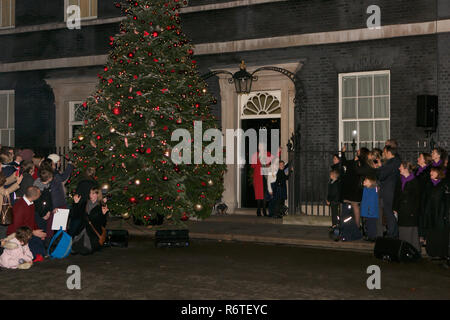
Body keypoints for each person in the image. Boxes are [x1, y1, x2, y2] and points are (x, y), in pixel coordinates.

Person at [6, 186, 47, 261]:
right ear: (35, 197)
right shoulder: (20, 207)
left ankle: (38, 254)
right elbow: (17, 227)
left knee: (41, 238)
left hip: (27, 231)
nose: (40, 195)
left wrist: (38, 231)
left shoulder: (30, 203)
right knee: (34, 248)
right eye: (39, 194)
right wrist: (33, 232)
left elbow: (32, 220)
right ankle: (34, 255)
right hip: (17, 234)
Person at [69, 187, 109, 255]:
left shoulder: (101, 206)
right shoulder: (85, 203)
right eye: (90, 193)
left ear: (97, 195)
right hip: (82, 229)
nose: (91, 195)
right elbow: (75, 215)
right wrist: (76, 204)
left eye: (93, 193)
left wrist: (103, 214)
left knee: (85, 250)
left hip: (93, 232)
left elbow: (103, 223)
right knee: (74, 249)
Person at [394, 161, 421, 252]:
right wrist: (395, 208)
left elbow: (417, 199)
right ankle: (404, 249)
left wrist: (414, 212)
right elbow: (396, 195)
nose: (399, 168)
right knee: (402, 230)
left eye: (400, 167)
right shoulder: (400, 180)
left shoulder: (414, 182)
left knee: (411, 231)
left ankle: (413, 250)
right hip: (402, 210)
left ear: (405, 168)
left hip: (410, 212)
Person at [376, 145, 401, 238]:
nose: (383, 154)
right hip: (391, 190)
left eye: (384, 152)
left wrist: (379, 167)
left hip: (389, 191)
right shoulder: (396, 162)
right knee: (390, 213)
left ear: (389, 152)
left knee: (389, 214)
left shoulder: (391, 163)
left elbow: (381, 176)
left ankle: (393, 234)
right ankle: (393, 233)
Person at [423, 167, 448, 259]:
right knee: (431, 233)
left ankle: (441, 253)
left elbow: (446, 201)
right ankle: (432, 252)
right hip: (430, 213)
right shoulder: (429, 184)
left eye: (433, 171)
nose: (431, 173)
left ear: (439, 173)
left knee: (440, 234)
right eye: (431, 171)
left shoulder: (444, 185)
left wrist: (445, 214)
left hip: (440, 214)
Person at [251, 143, 273, 217]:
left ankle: (264, 210)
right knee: (258, 194)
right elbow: (253, 166)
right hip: (258, 176)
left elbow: (270, 162)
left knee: (264, 194)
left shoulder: (268, 153)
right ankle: (258, 210)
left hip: (265, 176)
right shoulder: (255, 154)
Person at [415, 152, 432, 244]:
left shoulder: (428, 172)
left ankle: (425, 237)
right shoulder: (417, 170)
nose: (418, 158)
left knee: (424, 217)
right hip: (418, 197)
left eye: (420, 157)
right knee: (419, 217)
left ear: (425, 160)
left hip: (424, 197)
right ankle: (420, 236)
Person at [0, 172, 22, 240]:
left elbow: (5, 181)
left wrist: (14, 176)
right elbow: (5, 191)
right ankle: (2, 248)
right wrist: (17, 183)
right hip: (2, 212)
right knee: (2, 233)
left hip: (2, 211)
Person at [360, 176, 379, 241]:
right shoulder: (365, 189)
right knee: (367, 224)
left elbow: (373, 201)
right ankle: (369, 236)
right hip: (366, 210)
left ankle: (373, 237)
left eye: (366, 180)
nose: (364, 181)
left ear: (370, 183)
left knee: (372, 224)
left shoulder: (373, 190)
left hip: (371, 211)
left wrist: (370, 210)